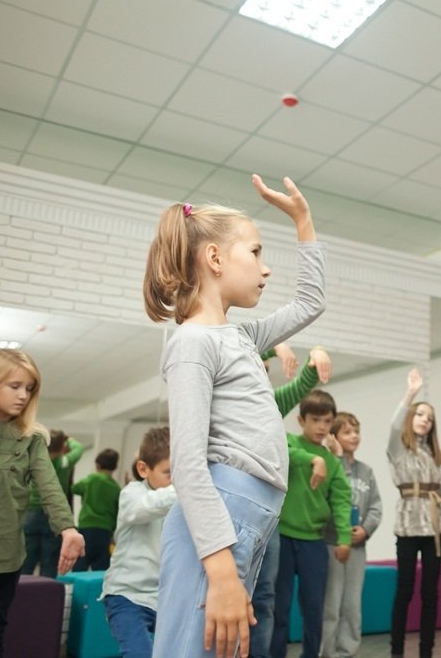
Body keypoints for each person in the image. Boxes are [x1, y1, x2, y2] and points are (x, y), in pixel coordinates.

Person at [143, 174, 326, 658]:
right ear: (215, 258)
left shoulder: (240, 338)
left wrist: (304, 222)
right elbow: (187, 465)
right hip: (220, 521)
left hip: (247, 520)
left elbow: (311, 303)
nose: (266, 269)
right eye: (256, 252)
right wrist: (222, 571)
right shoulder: (192, 343)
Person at [0, 350, 86, 656]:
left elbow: (49, 486)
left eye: (29, 388)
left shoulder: (31, 439)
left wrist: (68, 529)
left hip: (2, 556)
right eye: (14, 386)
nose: (23, 396)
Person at [250, 344, 333, 658]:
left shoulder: (270, 404)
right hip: (232, 511)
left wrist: (316, 354)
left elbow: (303, 383)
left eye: (264, 371)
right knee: (242, 597)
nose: (260, 376)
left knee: (266, 599)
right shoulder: (223, 404)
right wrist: (276, 347)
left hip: (268, 519)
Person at [271, 389, 351, 658]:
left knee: (314, 609)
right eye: (315, 420)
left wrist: (344, 538)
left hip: (314, 543)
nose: (321, 427)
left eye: (327, 421)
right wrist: (313, 459)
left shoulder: (334, 464)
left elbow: (341, 502)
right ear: (301, 420)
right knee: (278, 607)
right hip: (281, 538)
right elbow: (286, 451)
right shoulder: (288, 442)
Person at [386, 368, 441, 658]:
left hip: (435, 530)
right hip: (408, 527)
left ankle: (427, 652)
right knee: (405, 591)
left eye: (430, 417)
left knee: (430, 593)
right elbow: (394, 426)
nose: (425, 419)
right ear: (411, 418)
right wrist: (411, 394)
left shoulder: (432, 454)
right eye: (420, 414)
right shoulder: (399, 449)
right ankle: (397, 652)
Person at [100, 426, 177, 658]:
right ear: (143, 469)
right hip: (126, 596)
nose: (176, 480)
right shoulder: (132, 493)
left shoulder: (181, 501)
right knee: (139, 653)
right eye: (170, 473)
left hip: (164, 599)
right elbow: (142, 508)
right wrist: (188, 487)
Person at [321, 412, 382, 658]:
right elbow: (331, 496)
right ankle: (326, 651)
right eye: (347, 432)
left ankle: (347, 651)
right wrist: (335, 457)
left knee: (352, 604)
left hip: (357, 547)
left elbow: (376, 507)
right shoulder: (328, 466)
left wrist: (365, 529)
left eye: (356, 431)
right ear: (333, 436)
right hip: (332, 544)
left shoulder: (366, 471)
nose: (354, 436)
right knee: (331, 603)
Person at [22, 429, 84, 577]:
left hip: (31, 513)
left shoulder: (35, 460)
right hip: (54, 515)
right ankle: (46, 589)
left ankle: (21, 589)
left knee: (26, 560)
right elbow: (79, 448)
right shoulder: (64, 462)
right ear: (62, 447)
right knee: (49, 560)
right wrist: (68, 439)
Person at [71, 447, 121, 571]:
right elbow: (117, 513)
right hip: (105, 530)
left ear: (97, 465)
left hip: (86, 528)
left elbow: (74, 488)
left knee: (80, 562)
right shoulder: (116, 488)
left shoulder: (91, 479)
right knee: (101, 567)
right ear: (115, 467)